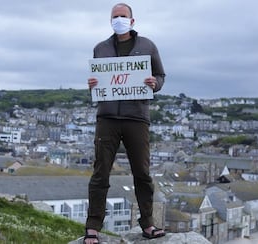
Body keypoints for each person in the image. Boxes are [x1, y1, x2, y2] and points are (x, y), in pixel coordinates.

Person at [84, 3, 166, 244]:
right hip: (107, 117)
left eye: (122, 16)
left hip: (137, 117)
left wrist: (155, 84)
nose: (118, 19)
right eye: (114, 16)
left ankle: (148, 224)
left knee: (142, 173)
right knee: (101, 172)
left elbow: (161, 76)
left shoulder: (147, 46)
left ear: (132, 21)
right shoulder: (100, 48)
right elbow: (100, 78)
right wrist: (93, 84)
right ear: (110, 20)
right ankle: (93, 226)